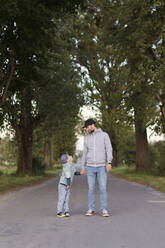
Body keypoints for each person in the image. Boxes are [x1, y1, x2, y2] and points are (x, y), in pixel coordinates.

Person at [81, 119, 113, 217]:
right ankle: (91, 209)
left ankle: (104, 209)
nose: (86, 129)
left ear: (92, 125)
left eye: (87, 127)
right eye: (86, 128)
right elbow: (85, 153)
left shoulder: (104, 135)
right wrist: (83, 166)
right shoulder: (86, 138)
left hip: (102, 166)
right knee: (91, 189)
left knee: (103, 188)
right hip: (90, 167)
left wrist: (109, 162)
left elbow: (109, 148)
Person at [57, 154, 80, 218]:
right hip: (63, 185)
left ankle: (66, 211)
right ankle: (59, 212)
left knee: (66, 199)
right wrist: (68, 184)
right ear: (67, 160)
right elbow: (68, 176)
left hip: (67, 185)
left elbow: (74, 172)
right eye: (69, 156)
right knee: (62, 198)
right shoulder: (67, 166)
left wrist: (80, 173)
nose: (71, 156)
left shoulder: (71, 165)